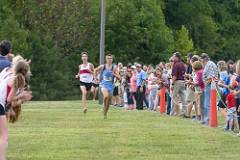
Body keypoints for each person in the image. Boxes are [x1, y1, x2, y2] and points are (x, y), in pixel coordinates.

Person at [0, 59, 32, 160]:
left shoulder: (10, 75)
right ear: (26, 71)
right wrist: (21, 96)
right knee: (4, 136)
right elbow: (9, 99)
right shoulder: (19, 79)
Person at [94, 54, 120, 118]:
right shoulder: (103, 66)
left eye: (110, 58)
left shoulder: (114, 67)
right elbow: (95, 70)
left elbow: (119, 77)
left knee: (109, 102)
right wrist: (95, 78)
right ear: (106, 59)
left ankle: (105, 112)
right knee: (106, 96)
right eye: (108, 58)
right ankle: (103, 106)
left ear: (112, 59)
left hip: (111, 86)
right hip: (103, 84)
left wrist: (114, 74)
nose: (109, 60)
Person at [201, 53, 218, 125]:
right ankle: (208, 119)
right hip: (209, 85)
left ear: (203, 59)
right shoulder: (209, 64)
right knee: (207, 103)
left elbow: (212, 77)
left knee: (207, 103)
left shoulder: (209, 64)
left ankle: (208, 120)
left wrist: (205, 84)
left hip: (210, 86)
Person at [170, 52, 187, 116]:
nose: (172, 58)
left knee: (174, 97)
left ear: (177, 57)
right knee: (183, 98)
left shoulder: (175, 65)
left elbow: (174, 76)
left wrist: (172, 84)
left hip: (177, 82)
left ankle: (172, 113)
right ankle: (185, 112)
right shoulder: (182, 64)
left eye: (173, 56)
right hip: (182, 81)